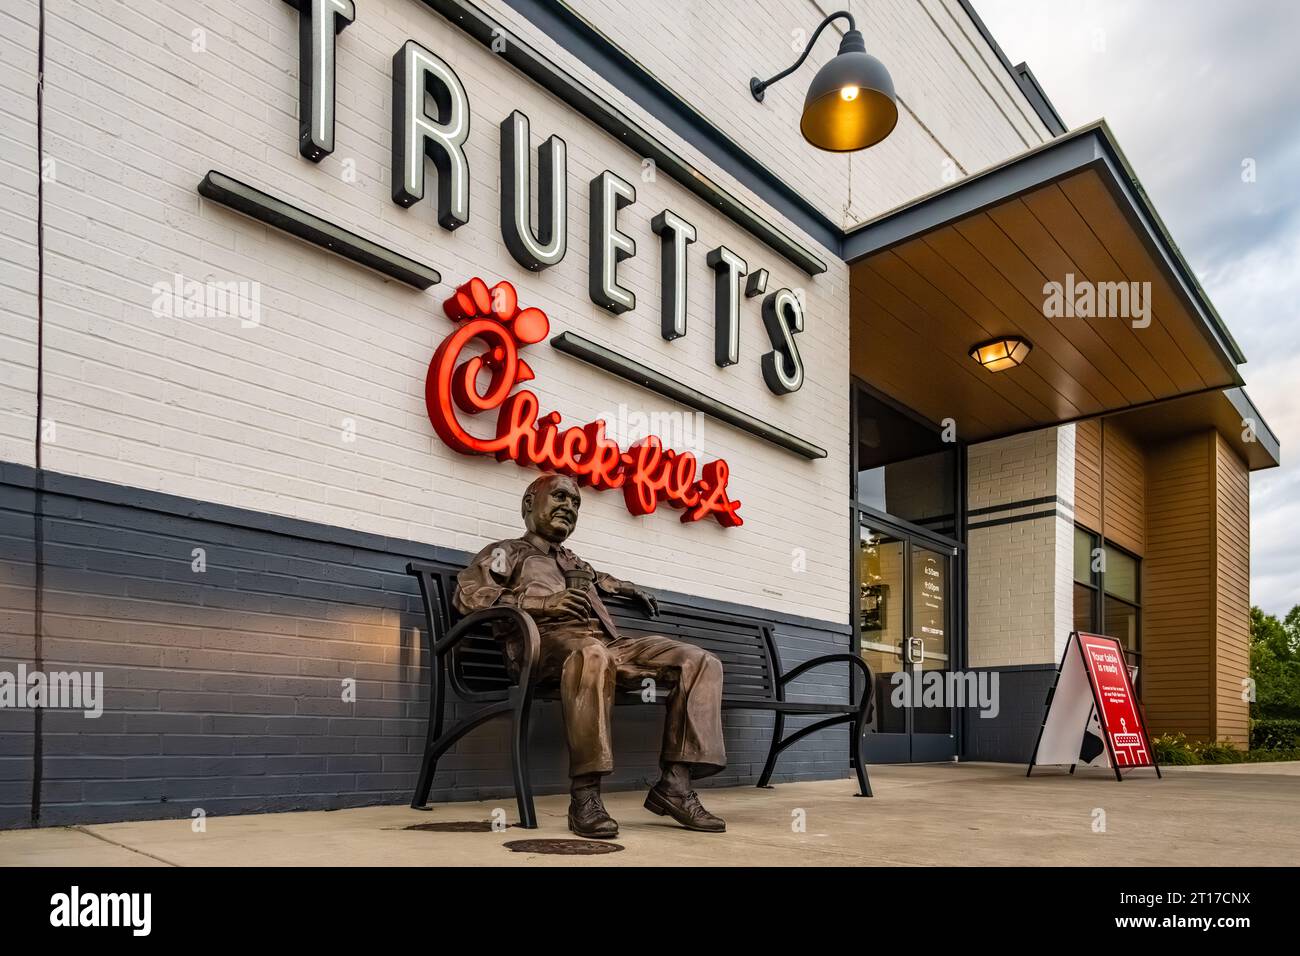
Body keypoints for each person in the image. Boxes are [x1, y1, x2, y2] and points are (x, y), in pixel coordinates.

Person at [455, 473, 727, 837]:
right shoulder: (507, 552)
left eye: (576, 503)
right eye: (560, 498)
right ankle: (585, 795)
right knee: (591, 653)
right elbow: (469, 597)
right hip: (543, 649)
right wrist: (543, 603)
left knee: (699, 660)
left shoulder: (573, 562)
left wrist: (630, 589)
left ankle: (675, 786)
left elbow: (604, 580)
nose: (569, 507)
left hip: (604, 647)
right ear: (528, 504)